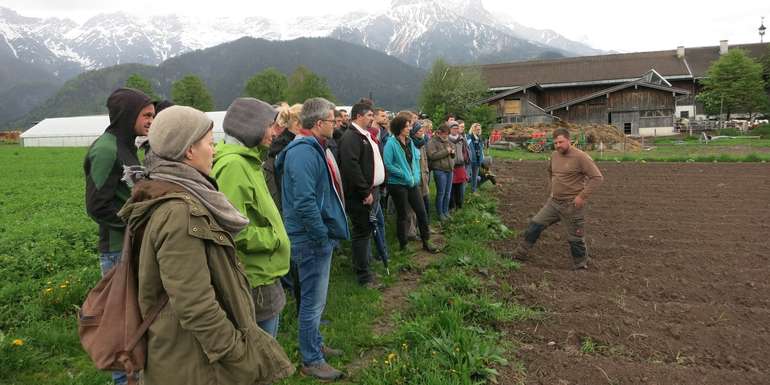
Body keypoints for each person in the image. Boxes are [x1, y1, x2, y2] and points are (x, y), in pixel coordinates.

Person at [118, 105, 294, 385]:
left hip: (192, 353)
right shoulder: (179, 213)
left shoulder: (176, 193)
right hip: (194, 361)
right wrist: (235, 353)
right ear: (189, 151)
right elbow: (194, 303)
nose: (214, 150)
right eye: (210, 144)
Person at [275, 97, 349, 381]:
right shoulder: (304, 153)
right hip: (309, 239)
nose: (336, 124)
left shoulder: (312, 147)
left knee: (314, 300)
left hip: (315, 235)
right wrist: (321, 236)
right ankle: (311, 359)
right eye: (332, 120)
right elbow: (304, 202)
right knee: (311, 302)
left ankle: (315, 343)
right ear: (319, 124)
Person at [83, 87, 154, 385]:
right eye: (146, 115)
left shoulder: (128, 146)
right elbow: (97, 205)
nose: (152, 120)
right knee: (122, 325)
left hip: (134, 247)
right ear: (128, 115)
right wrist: (133, 225)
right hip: (117, 252)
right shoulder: (106, 149)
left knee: (138, 321)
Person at [211, 97, 289, 338]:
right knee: (261, 353)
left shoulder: (249, 160)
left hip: (264, 271)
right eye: (270, 125)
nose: (276, 132)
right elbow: (232, 226)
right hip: (256, 276)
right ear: (251, 126)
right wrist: (274, 238)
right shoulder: (234, 166)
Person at [513, 128, 604, 270]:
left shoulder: (581, 157)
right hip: (554, 202)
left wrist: (582, 196)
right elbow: (550, 172)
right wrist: (552, 189)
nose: (558, 145)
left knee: (575, 238)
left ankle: (580, 264)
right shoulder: (554, 155)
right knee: (535, 225)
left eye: (561, 142)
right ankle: (519, 254)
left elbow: (597, 178)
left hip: (571, 205)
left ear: (569, 140)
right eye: (555, 143)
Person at [339, 102, 385, 287]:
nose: (371, 118)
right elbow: (351, 166)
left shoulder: (366, 135)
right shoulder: (351, 137)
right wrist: (365, 191)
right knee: (362, 232)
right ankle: (364, 277)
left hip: (373, 191)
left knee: (367, 231)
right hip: (361, 195)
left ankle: (367, 267)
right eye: (368, 115)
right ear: (358, 116)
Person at [383, 115, 438, 253]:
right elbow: (388, 164)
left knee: (421, 212)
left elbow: (415, 160)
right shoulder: (391, 143)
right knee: (402, 215)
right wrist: (405, 175)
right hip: (397, 184)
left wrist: (416, 175)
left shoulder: (410, 142)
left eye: (409, 126)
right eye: (407, 126)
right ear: (399, 128)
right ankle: (403, 244)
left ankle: (426, 241)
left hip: (412, 183)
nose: (409, 128)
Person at [427, 122, 455, 221]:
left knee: (448, 192)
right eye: (445, 134)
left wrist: (452, 153)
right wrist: (446, 151)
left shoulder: (448, 141)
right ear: (439, 133)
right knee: (441, 193)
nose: (446, 136)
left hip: (450, 170)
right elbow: (432, 156)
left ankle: (446, 211)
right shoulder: (432, 142)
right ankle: (440, 213)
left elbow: (452, 154)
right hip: (439, 170)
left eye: (448, 134)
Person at [448, 121, 469, 210]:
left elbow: (465, 150)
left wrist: (465, 158)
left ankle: (459, 205)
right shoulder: (447, 139)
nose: (456, 130)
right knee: (451, 188)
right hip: (451, 167)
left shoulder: (462, 139)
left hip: (460, 166)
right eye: (454, 128)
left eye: (457, 128)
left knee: (460, 187)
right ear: (450, 129)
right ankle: (451, 206)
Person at [467, 123, 485, 193]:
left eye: (479, 129)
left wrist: (481, 158)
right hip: (470, 160)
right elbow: (470, 148)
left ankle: (473, 191)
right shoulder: (469, 137)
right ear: (473, 129)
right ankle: (462, 190)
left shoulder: (479, 137)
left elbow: (481, 149)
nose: (478, 130)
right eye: (477, 129)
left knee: (475, 176)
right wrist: (472, 158)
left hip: (477, 160)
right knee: (467, 176)